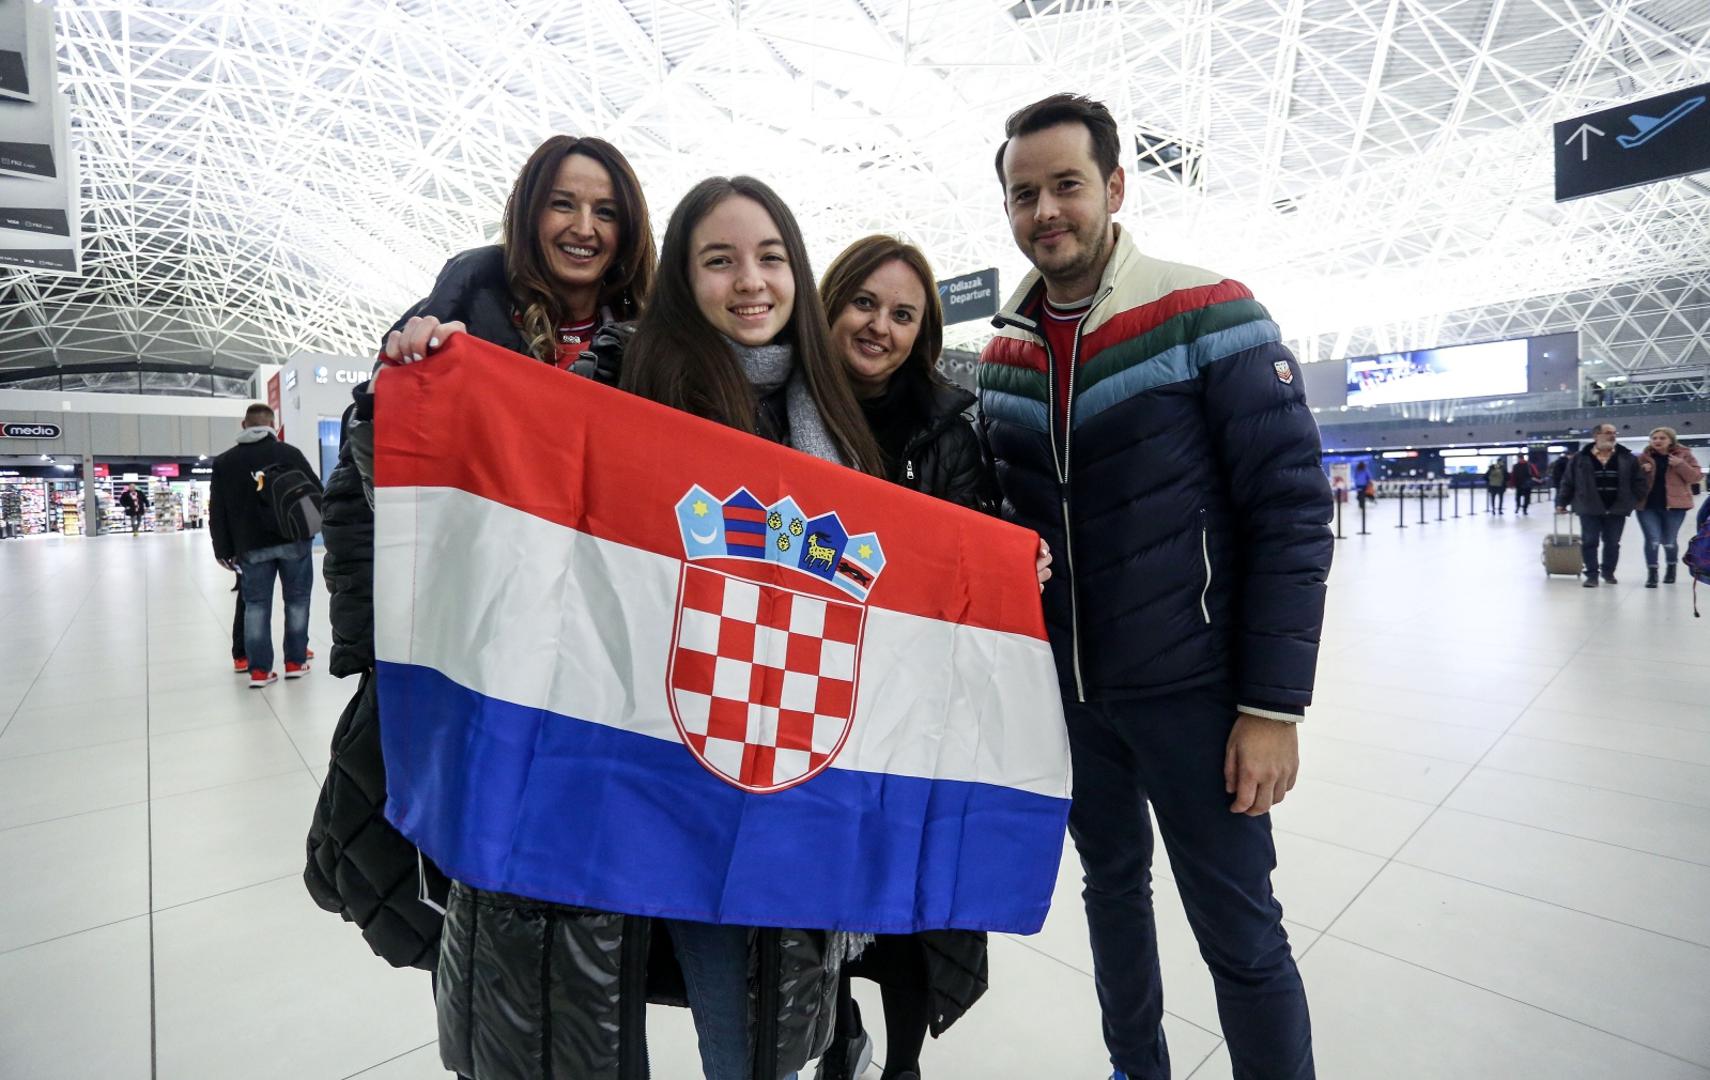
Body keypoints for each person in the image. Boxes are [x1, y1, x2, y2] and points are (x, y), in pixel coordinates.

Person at [977, 94, 1329, 1080]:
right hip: (1074, 702)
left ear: (1115, 189)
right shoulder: (1003, 355)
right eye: (1024, 194)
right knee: (1113, 897)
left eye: (1066, 186)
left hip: (1199, 696)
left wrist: (1272, 705)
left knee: (1241, 932)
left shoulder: (1207, 312)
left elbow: (1290, 510)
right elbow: (999, 520)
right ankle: (1139, 1069)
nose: (1046, 210)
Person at [306, 135, 659, 1080]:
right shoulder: (464, 310)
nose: (584, 228)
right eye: (563, 204)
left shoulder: (662, 334)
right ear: (528, 212)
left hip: (608, 679)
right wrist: (376, 653)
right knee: (477, 898)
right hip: (477, 665)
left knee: (605, 911)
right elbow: (361, 498)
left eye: (606, 209)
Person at [617, 175, 891, 1080]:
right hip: (693, 776)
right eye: (719, 260)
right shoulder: (638, 396)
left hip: (817, 760)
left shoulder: (831, 404)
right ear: (680, 281)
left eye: (771, 257)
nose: (751, 282)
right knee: (743, 1039)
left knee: (807, 1004)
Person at [814, 234, 1046, 1080]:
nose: (881, 326)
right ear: (830, 302)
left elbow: (976, 532)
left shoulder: (947, 424)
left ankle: (902, 1064)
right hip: (806, 692)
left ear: (925, 331)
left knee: (910, 910)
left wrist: (1012, 562)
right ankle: (836, 1043)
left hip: (915, 713)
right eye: (865, 304)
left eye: (903, 314)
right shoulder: (776, 409)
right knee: (811, 899)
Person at [209, 403, 321, 686]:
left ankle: (259, 670)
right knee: (297, 601)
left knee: (256, 605)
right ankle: (295, 661)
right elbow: (316, 491)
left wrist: (222, 549)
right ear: (274, 425)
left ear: (243, 425)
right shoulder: (289, 453)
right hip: (292, 539)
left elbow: (217, 510)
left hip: (250, 545)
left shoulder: (225, 462)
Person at [1557, 422, 1648, 588]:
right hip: (1589, 506)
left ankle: (1608, 572)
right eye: (1607, 432)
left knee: (1612, 542)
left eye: (1614, 432)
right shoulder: (1580, 457)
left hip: (1617, 507)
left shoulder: (1627, 457)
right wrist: (1561, 502)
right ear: (1596, 435)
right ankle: (1591, 575)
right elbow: (1568, 481)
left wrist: (1633, 499)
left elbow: (1639, 481)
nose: (1612, 436)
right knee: (1590, 541)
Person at [1633, 426, 1703, 588]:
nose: (1657, 441)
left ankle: (1671, 567)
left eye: (1662, 438)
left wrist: (1680, 465)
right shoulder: (1643, 458)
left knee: (1669, 541)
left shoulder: (1684, 455)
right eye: (1654, 438)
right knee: (1653, 540)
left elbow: (1696, 477)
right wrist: (1642, 471)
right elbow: (1631, 479)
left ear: (1671, 440)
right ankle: (1652, 573)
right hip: (1647, 505)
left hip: (1675, 506)